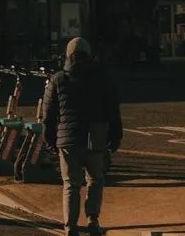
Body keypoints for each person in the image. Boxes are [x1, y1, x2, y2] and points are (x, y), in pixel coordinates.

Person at [41, 36, 124, 236]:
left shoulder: (58, 79)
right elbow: (113, 110)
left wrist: (50, 140)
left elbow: (48, 115)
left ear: (68, 55)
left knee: (71, 183)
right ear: (89, 54)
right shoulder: (102, 78)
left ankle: (70, 227)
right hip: (95, 136)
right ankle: (92, 219)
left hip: (67, 138)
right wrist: (115, 135)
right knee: (95, 178)